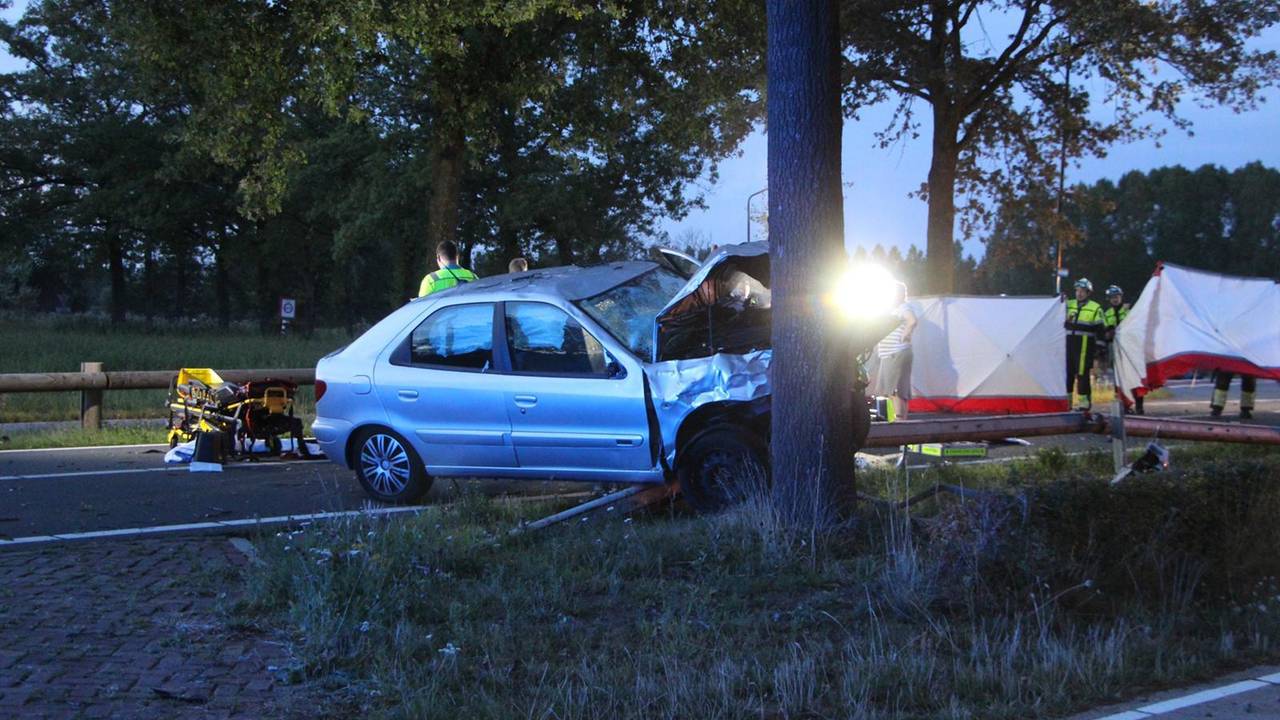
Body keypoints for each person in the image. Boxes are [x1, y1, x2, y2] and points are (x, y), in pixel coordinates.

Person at [874, 282, 918, 421]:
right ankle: (901, 421)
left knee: (896, 391)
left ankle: (900, 422)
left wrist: (907, 332)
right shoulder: (893, 309)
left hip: (896, 353)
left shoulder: (903, 307)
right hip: (891, 354)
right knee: (896, 391)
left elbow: (912, 320)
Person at [1064, 278, 1105, 411]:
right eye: (1077, 291)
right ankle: (1067, 403)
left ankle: (1084, 404)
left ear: (1088, 293)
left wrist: (1100, 348)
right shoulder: (1068, 304)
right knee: (1067, 374)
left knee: (1082, 375)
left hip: (1085, 346)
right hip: (1068, 344)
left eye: (1082, 291)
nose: (1079, 294)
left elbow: (1100, 329)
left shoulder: (1095, 307)